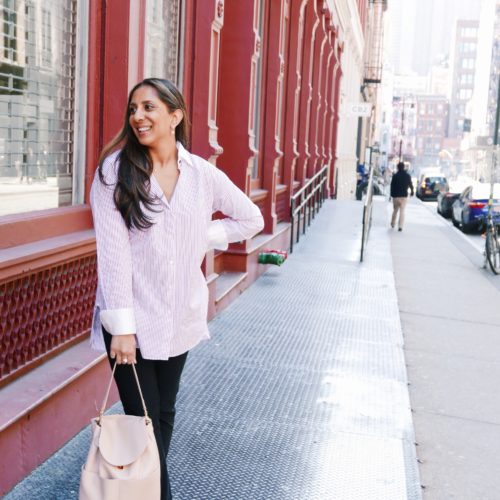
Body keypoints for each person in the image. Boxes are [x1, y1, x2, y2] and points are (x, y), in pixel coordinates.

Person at [89, 78, 264, 499]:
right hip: (130, 318)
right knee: (142, 419)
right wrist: (123, 329)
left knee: (163, 413)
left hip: (179, 314)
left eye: (149, 107)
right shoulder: (114, 172)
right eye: (133, 109)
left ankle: (140, 491)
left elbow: (251, 219)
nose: (138, 117)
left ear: (175, 115)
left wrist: (200, 234)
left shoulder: (202, 175)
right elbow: (113, 258)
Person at [390, 161, 414, 231]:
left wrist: (391, 195)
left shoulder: (395, 176)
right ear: (403, 167)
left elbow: (392, 186)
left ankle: (393, 223)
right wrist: (412, 192)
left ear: (398, 167)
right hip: (404, 196)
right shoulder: (407, 176)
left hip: (396, 196)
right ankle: (400, 226)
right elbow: (410, 185)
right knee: (402, 211)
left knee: (395, 210)